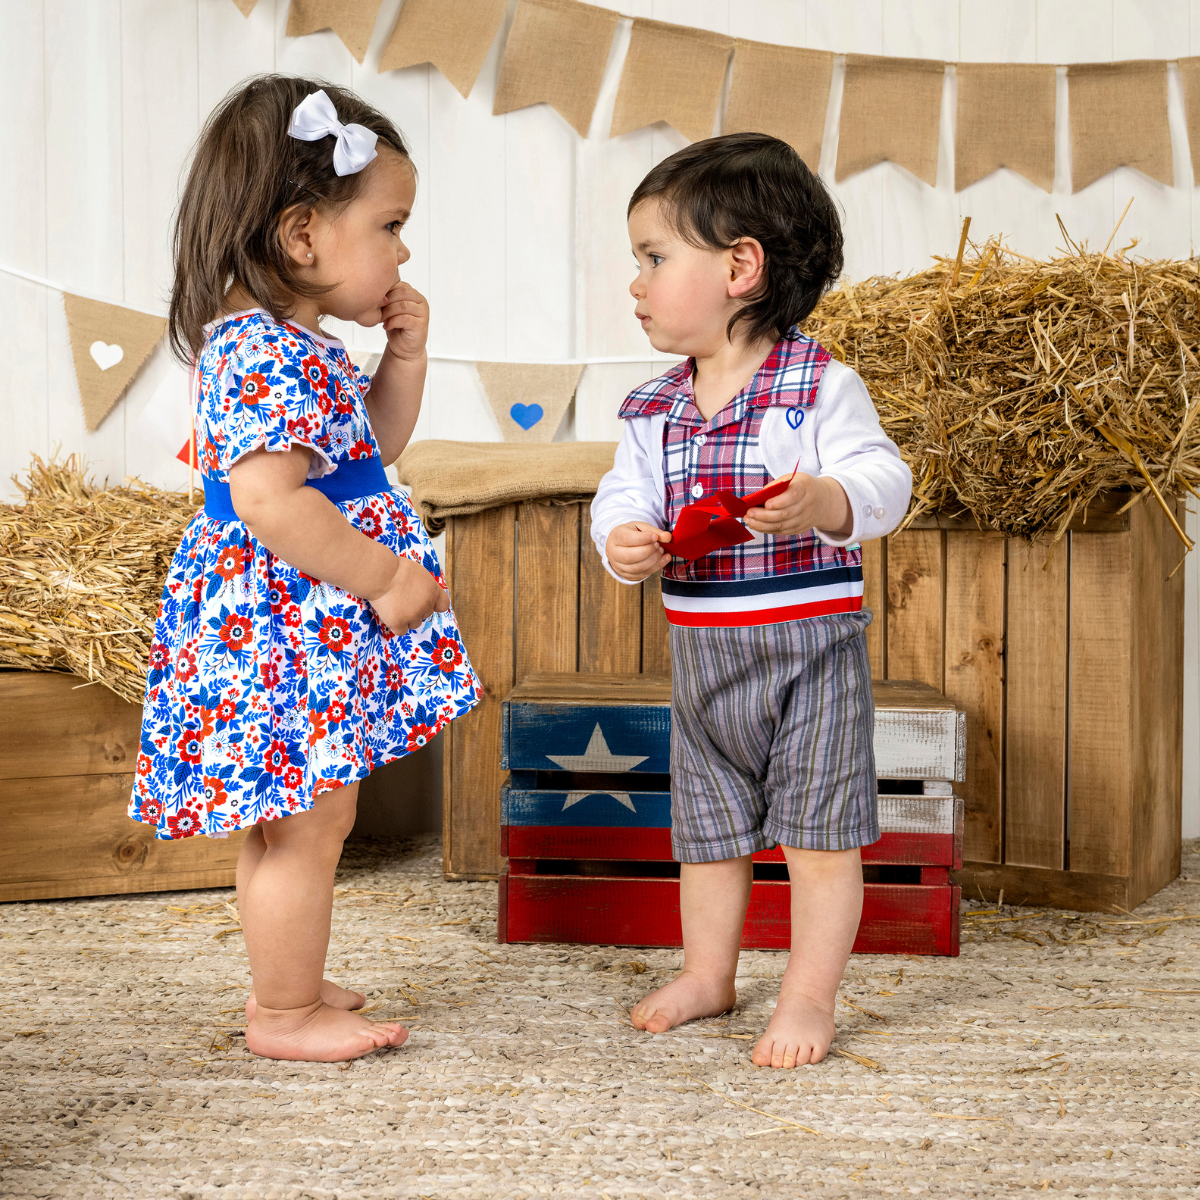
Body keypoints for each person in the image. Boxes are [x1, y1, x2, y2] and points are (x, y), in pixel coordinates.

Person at [129, 76, 479, 1063]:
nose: (404, 251)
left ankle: (290, 972)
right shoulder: (260, 351)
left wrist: (402, 360)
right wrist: (381, 577)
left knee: (292, 823)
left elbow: (366, 456)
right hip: (282, 627)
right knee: (312, 823)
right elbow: (271, 501)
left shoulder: (294, 343)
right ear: (302, 237)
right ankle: (283, 1013)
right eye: (392, 225)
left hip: (292, 623)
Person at [590, 133, 912, 1069]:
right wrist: (625, 543)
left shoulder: (816, 386)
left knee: (819, 835)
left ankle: (809, 994)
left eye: (654, 258)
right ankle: (709, 972)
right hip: (704, 661)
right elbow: (623, 498)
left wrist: (827, 501)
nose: (637, 282)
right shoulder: (653, 408)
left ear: (740, 267)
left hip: (809, 652)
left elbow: (883, 478)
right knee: (710, 825)